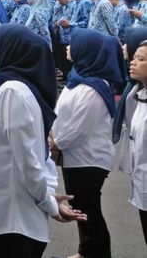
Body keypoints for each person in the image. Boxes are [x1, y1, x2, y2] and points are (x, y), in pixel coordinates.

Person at [0, 24, 86, 258]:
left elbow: (28, 161)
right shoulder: (21, 89)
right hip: (16, 213)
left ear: (10, 52)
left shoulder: (12, 91)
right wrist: (49, 195)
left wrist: (49, 203)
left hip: (13, 218)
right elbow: (38, 153)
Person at [50, 29, 125, 258]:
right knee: (82, 206)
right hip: (75, 155)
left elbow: (78, 128)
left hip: (88, 158)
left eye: (73, 44)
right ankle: (88, 250)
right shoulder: (78, 77)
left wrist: (55, 143)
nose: (67, 47)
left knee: (87, 206)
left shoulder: (94, 88)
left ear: (87, 51)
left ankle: (96, 252)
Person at [117, 36, 147, 246]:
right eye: (134, 57)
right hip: (142, 183)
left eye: (141, 59)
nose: (133, 62)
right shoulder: (138, 95)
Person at [52, 0, 77, 81]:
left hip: (70, 36)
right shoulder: (63, 6)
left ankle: (69, 76)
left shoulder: (74, 5)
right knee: (63, 58)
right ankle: (65, 75)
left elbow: (73, 21)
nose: (58, 1)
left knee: (70, 59)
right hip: (63, 36)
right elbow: (56, 18)